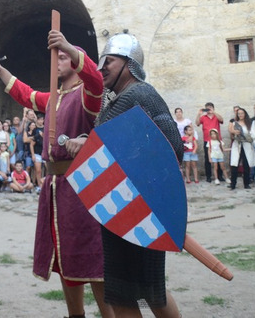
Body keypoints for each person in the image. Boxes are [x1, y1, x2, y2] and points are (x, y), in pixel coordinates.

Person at [0, 30, 111, 318]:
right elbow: (26, 94)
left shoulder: (87, 95)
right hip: (55, 188)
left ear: (76, 62)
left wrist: (66, 44)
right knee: (65, 257)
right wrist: (1, 70)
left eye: (63, 57)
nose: (57, 60)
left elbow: (96, 79)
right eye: (56, 55)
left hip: (81, 187)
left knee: (92, 259)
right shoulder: (54, 98)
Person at [96, 33, 183, 317]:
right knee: (129, 292)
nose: (102, 67)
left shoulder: (140, 94)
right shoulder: (120, 99)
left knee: (144, 292)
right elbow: (107, 147)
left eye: (109, 61)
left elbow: (172, 148)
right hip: (123, 207)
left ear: (129, 62)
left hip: (140, 208)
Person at [196, 103, 225, 182]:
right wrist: (198, 114)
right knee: (207, 159)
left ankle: (220, 176)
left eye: (210, 108)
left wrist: (214, 112)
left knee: (219, 157)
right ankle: (208, 176)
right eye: (207, 108)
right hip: (207, 141)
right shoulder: (203, 117)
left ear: (213, 108)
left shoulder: (216, 116)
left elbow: (221, 120)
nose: (208, 110)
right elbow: (197, 123)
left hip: (217, 141)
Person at [227, 107, 255, 190]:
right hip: (237, 144)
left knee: (246, 165)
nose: (240, 115)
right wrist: (234, 132)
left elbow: (252, 133)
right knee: (234, 164)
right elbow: (231, 132)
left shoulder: (249, 123)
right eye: (239, 113)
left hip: (246, 145)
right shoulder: (234, 123)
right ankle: (233, 184)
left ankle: (246, 183)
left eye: (242, 113)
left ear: (245, 114)